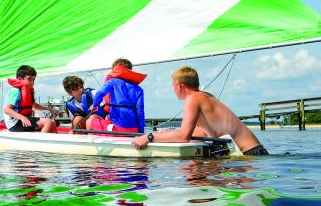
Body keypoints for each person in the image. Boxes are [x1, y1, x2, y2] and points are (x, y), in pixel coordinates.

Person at [131, 66, 269, 155]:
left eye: (172, 85)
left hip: (249, 155)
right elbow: (201, 132)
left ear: (180, 86)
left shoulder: (192, 99)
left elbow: (184, 137)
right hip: (255, 152)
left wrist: (149, 137)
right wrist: (166, 133)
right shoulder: (205, 96)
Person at [91, 58, 146, 133]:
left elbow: (99, 94)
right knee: (107, 118)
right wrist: (140, 132)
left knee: (90, 121)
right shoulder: (139, 89)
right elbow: (140, 112)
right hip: (134, 130)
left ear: (115, 70)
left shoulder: (112, 82)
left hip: (117, 129)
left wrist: (94, 105)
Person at [3, 65, 58, 133]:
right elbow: (7, 110)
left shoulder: (28, 91)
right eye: (29, 79)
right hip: (15, 123)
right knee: (48, 122)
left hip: (23, 120)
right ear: (20, 79)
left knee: (53, 123)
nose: (32, 82)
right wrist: (22, 117)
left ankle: (54, 143)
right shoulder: (15, 91)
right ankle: (40, 143)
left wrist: (50, 109)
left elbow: (34, 106)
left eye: (33, 79)